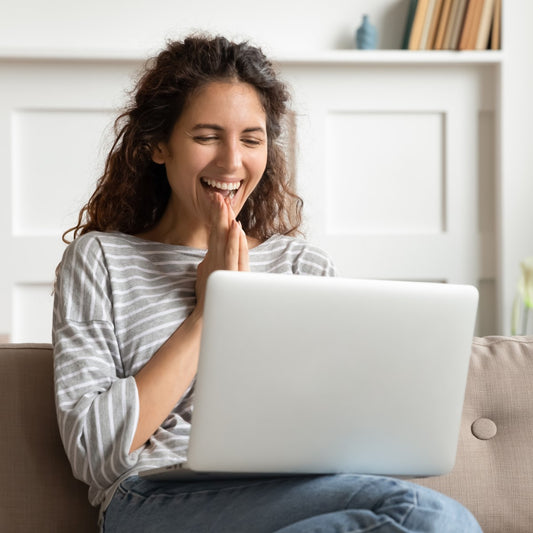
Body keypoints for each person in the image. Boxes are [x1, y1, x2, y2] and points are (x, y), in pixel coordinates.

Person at [53, 34, 482, 533]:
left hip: (292, 492)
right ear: (158, 146)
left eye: (251, 139)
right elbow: (95, 452)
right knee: (422, 516)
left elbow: (339, 424)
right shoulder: (102, 260)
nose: (232, 161)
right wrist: (210, 311)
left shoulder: (302, 265)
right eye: (207, 136)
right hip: (153, 499)